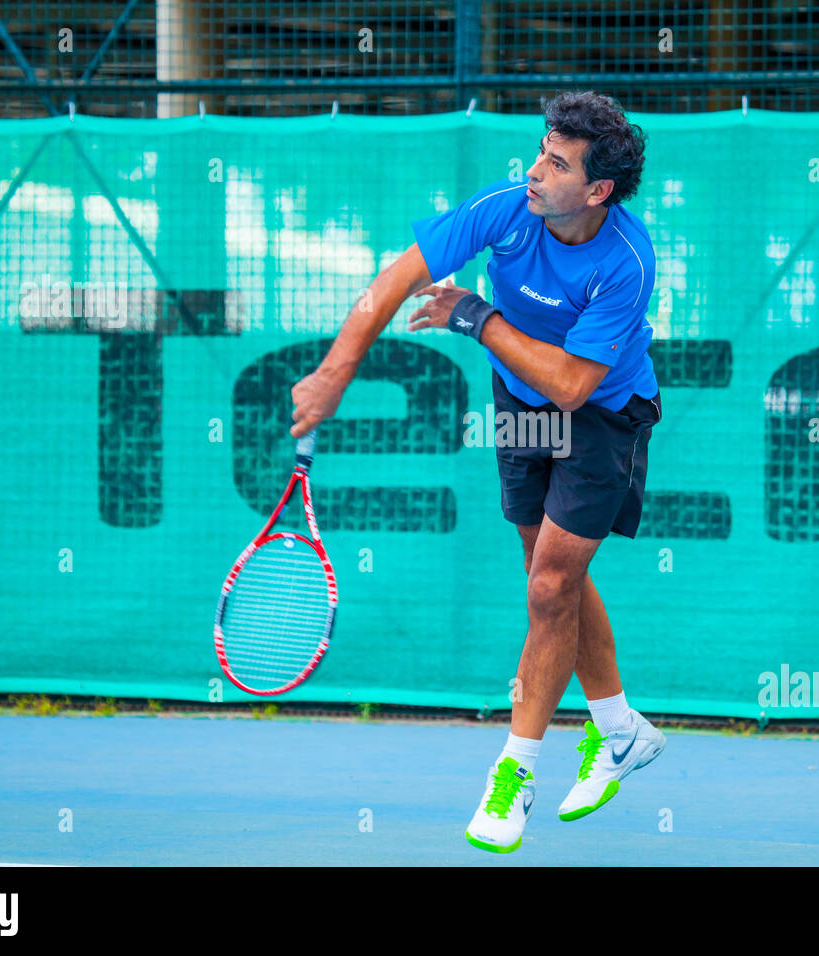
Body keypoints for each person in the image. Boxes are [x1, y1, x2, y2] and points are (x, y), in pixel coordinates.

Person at [289, 90, 664, 853]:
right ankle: (620, 728)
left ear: (597, 190)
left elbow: (572, 385)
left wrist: (476, 316)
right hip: (520, 400)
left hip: (601, 415)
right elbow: (393, 281)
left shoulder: (626, 262)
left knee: (551, 586)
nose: (535, 172)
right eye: (540, 152)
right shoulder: (508, 207)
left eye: (556, 164)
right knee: (547, 576)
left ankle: (515, 772)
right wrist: (334, 373)